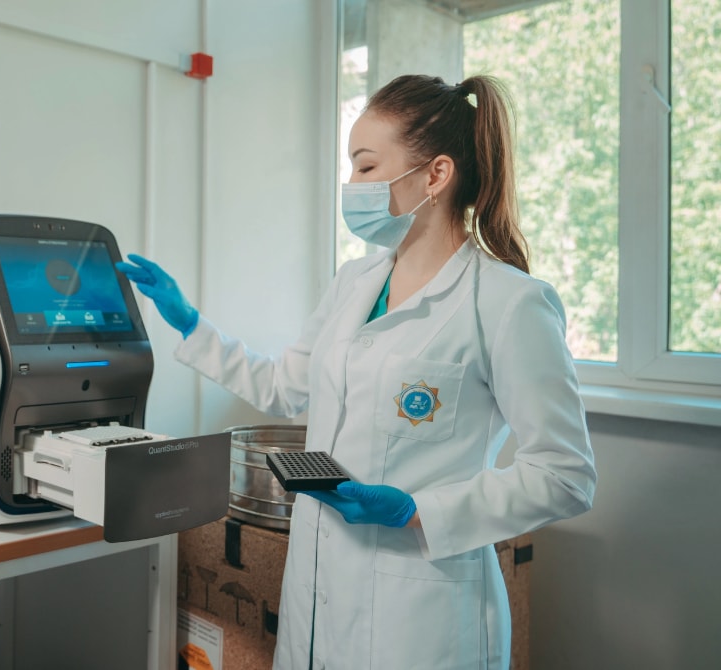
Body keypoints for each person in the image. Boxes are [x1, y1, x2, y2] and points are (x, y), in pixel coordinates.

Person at [117, 74, 596, 669]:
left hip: (420, 621)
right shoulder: (354, 283)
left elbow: (566, 474)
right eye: (351, 168)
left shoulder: (507, 302)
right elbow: (284, 389)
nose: (352, 186)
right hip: (317, 600)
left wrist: (416, 510)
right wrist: (191, 325)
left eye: (366, 168)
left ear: (436, 175)